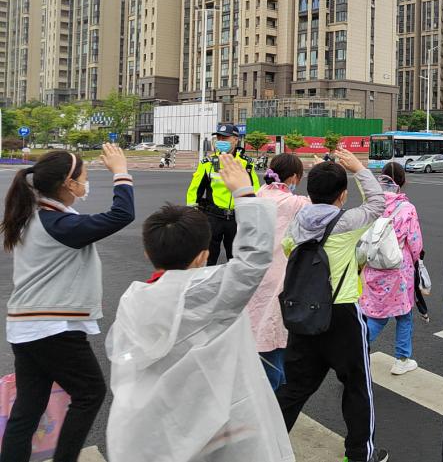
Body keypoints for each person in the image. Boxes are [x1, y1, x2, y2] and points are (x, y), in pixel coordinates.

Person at [106, 153, 292, 462]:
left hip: (157, 428)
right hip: (217, 423)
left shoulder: (133, 299)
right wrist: (244, 192)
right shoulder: (213, 293)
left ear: (147, 252)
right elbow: (253, 258)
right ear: (202, 256)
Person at [0, 145, 134, 462]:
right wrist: (121, 172)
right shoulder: (58, 225)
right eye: (84, 176)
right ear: (68, 184)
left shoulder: (37, 217)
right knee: (90, 392)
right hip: (50, 327)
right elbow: (122, 215)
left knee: (29, 407)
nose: (87, 182)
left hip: (26, 326)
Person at [277, 148, 389, 462]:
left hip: (303, 312)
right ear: (342, 195)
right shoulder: (347, 222)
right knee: (357, 386)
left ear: (310, 192)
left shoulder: (299, 222)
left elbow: (289, 250)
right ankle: (359, 454)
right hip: (342, 314)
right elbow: (378, 203)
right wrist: (358, 169)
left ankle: (263, 444)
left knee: (294, 388)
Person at [249, 153, 311, 390]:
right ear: (294, 177)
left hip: (254, 274)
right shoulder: (295, 204)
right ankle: (276, 399)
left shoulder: (256, 196)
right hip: (280, 276)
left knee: (258, 327)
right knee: (276, 334)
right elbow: (325, 207)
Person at [360, 162, 424, 376]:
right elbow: (415, 243)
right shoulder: (407, 208)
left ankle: (357, 352)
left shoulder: (372, 204)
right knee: (403, 314)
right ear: (403, 182)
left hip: (372, 266)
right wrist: (416, 261)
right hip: (399, 269)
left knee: (375, 313)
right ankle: (401, 359)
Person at [186, 123, 261, 265]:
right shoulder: (208, 163)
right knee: (207, 259)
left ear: (235, 140)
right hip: (213, 217)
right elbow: (195, 190)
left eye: (225, 138)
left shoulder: (246, 164)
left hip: (237, 219)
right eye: (219, 137)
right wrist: (191, 215)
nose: (221, 141)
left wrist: (255, 217)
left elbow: (255, 191)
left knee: (237, 260)